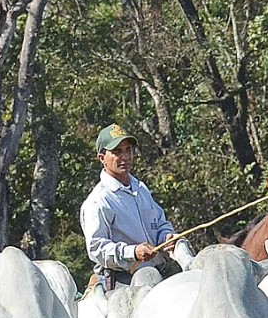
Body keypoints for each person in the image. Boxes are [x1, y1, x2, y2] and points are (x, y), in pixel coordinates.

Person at [80, 123, 189, 290]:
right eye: (117, 152)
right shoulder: (98, 201)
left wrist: (167, 237)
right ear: (102, 158)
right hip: (122, 283)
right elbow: (97, 248)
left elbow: (159, 223)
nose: (125, 156)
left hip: (157, 274)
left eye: (128, 150)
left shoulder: (140, 188)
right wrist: (133, 252)